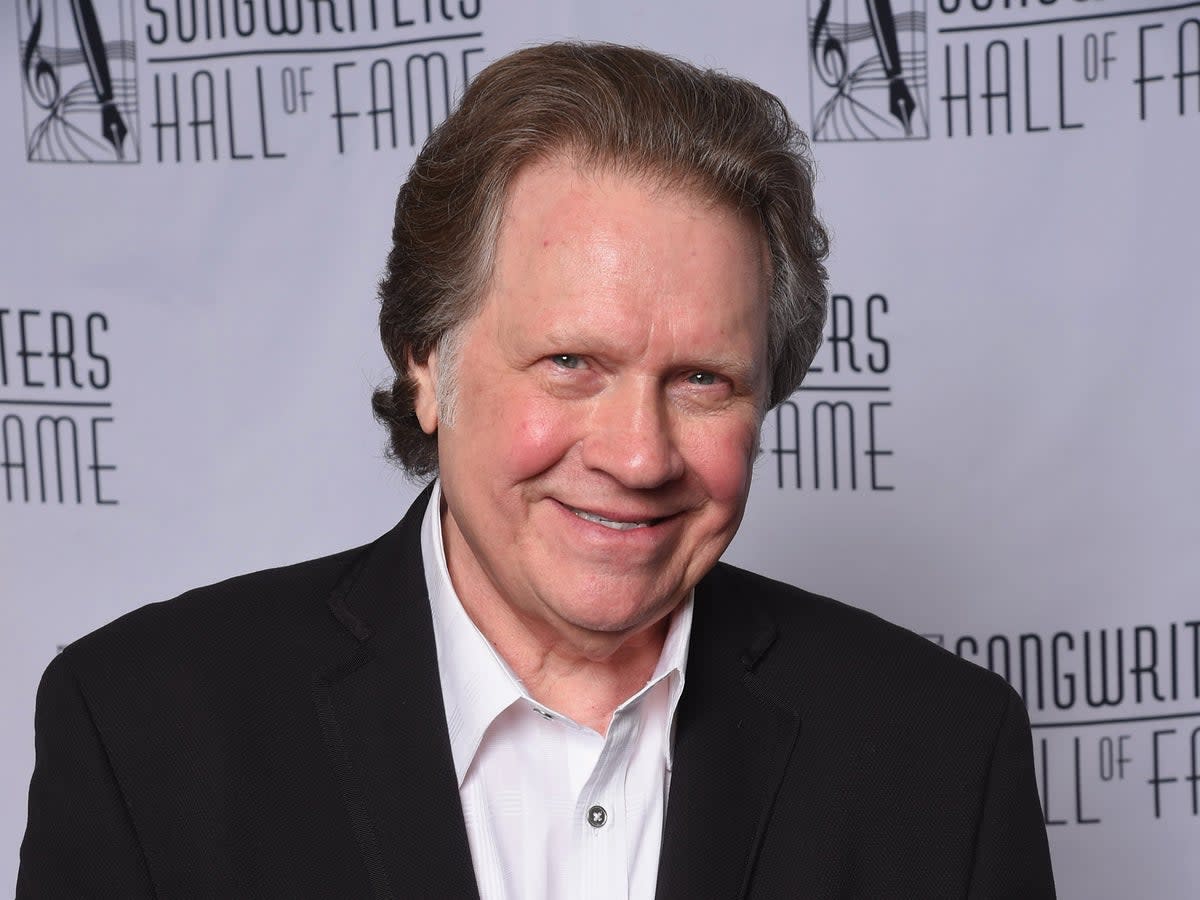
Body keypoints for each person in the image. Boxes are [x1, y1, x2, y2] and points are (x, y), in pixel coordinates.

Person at [17, 42, 1054, 899]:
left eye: (702, 380)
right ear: (427, 364)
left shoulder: (941, 760)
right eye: (571, 364)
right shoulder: (146, 735)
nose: (639, 456)